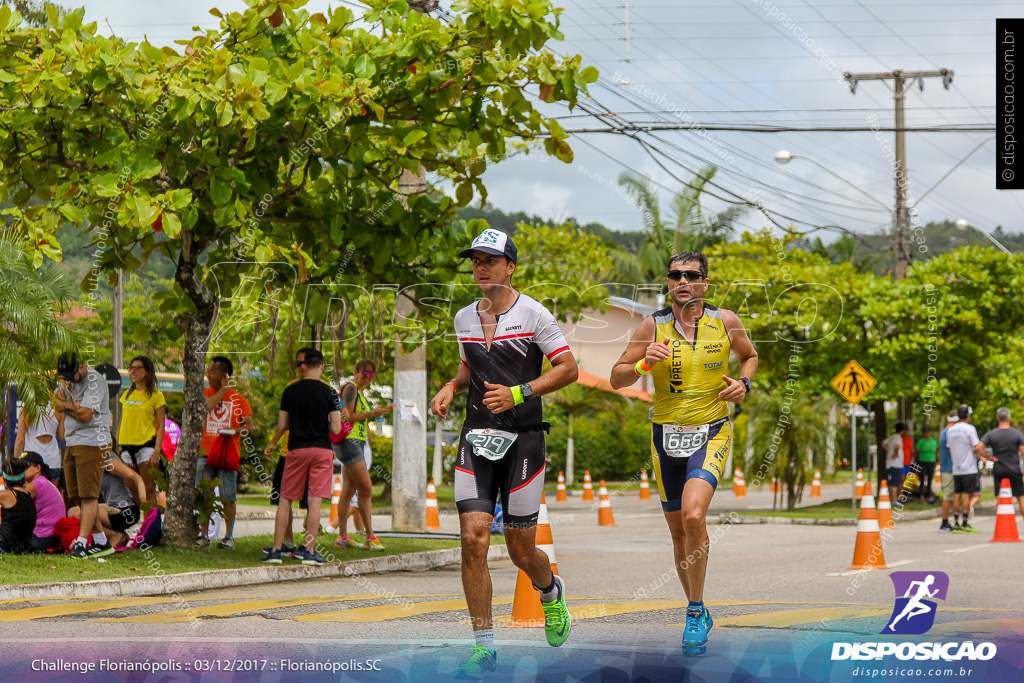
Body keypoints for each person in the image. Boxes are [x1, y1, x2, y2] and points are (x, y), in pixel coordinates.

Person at [430, 228, 578, 677]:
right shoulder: (463, 318)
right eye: (475, 260)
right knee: (473, 540)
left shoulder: (535, 314)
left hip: (524, 440)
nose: (480, 268)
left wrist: (519, 393)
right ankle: (483, 646)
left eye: (489, 260)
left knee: (520, 550)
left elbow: (569, 369)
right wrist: (451, 385)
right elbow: (467, 363)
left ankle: (550, 591)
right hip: (476, 438)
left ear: (509, 267)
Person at [609, 250, 757, 657]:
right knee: (678, 532)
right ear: (669, 283)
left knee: (694, 515)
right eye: (675, 276)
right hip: (665, 436)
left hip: (711, 430)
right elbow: (616, 376)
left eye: (691, 275)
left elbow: (750, 356)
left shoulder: (724, 321)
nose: (683, 282)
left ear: (705, 283)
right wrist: (641, 367)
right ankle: (699, 605)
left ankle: (693, 611)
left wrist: (744, 385)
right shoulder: (651, 326)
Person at [262, 347, 345, 565]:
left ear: (304, 366)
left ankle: (277, 550)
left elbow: (282, 424)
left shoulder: (290, 391)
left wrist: (274, 442)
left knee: (285, 499)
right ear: (321, 367)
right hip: (322, 451)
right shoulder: (331, 393)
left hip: (296, 450)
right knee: (314, 501)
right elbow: (336, 428)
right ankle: (309, 552)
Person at [54, 351, 115, 559]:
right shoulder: (66, 380)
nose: (69, 380)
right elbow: (56, 404)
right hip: (72, 441)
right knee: (79, 495)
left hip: (93, 441)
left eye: (72, 374)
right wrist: (75, 407)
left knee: (89, 495)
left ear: (81, 366)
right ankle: (101, 542)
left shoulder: (95, 380)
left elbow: (86, 415)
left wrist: (68, 406)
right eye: (65, 377)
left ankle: (81, 543)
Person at [196, 356, 255, 549]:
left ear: (224, 375)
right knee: (203, 495)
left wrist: (235, 431)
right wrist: (222, 389)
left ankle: (229, 536)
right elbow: (207, 407)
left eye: (212, 371)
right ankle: (203, 534)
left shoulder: (239, 399)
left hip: (228, 454)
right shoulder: (204, 392)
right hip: (205, 453)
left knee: (228, 496)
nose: (207, 374)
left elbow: (249, 426)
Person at [334, 359, 391, 552]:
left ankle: (343, 537)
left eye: (371, 375)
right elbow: (347, 416)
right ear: (356, 371)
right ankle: (370, 536)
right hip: (349, 442)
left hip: (355, 443)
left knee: (349, 491)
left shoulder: (360, 394)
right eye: (364, 373)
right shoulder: (350, 389)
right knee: (366, 488)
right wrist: (370, 414)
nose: (367, 377)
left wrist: (373, 415)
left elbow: (359, 417)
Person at [117, 355, 166, 507]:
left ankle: (150, 527)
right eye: (131, 367)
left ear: (147, 371)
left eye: (137, 367)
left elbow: (161, 425)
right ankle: (142, 526)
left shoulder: (156, 396)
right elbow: (121, 420)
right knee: (133, 492)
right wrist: (116, 443)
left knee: (149, 491)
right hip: (126, 448)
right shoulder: (127, 394)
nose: (133, 371)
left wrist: (157, 452)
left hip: (146, 448)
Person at [70, 469, 143, 549]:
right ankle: (114, 535)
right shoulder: (99, 463)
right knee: (73, 511)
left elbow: (131, 476)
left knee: (76, 513)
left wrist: (139, 500)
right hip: (114, 506)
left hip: (126, 511)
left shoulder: (108, 460)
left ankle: (114, 536)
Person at [977, 407, 1024, 518]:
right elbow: (1023, 452)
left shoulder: (992, 434)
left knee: (1000, 496)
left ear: (997, 419)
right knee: (1021, 497)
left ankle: (1002, 520)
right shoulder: (1016, 434)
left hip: (999, 468)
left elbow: (978, 448)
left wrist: (989, 457)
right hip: (1014, 468)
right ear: (1009, 418)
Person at [20, 451, 65, 552]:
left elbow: (15, 506)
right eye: (19, 467)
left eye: (25, 466)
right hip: (52, 538)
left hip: (41, 538)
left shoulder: (35, 485)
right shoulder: (44, 482)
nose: (21, 470)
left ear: (38, 468)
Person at [946, 404, 981, 533]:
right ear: (968, 415)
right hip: (969, 468)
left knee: (957, 495)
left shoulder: (951, 430)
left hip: (956, 468)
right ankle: (965, 522)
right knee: (968, 495)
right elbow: (976, 446)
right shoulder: (969, 429)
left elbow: (950, 448)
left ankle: (955, 522)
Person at [14, 399, 64, 487]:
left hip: (33, 463)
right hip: (53, 461)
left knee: (32, 497)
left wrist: (14, 462)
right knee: (51, 496)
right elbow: (62, 436)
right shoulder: (57, 410)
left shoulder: (26, 410)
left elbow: (20, 440)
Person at [937, 412, 957, 532]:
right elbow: (952, 450)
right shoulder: (948, 433)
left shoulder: (945, 432)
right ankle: (944, 522)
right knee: (948, 496)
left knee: (952, 496)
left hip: (949, 468)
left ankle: (950, 521)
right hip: (948, 469)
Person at [882, 423, 907, 506]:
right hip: (896, 464)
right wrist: (895, 453)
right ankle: (894, 500)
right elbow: (896, 446)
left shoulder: (891, 437)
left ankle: (893, 499)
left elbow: (883, 443)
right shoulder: (898, 438)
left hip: (890, 463)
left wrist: (889, 450)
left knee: (892, 481)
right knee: (895, 483)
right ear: (903, 431)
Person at [915, 426, 938, 503]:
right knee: (922, 479)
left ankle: (929, 495)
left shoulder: (933, 442)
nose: (927, 433)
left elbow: (935, 451)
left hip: (931, 461)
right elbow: (916, 452)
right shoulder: (921, 442)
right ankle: (921, 495)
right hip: (922, 461)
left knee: (930, 478)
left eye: (928, 432)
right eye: (925, 432)